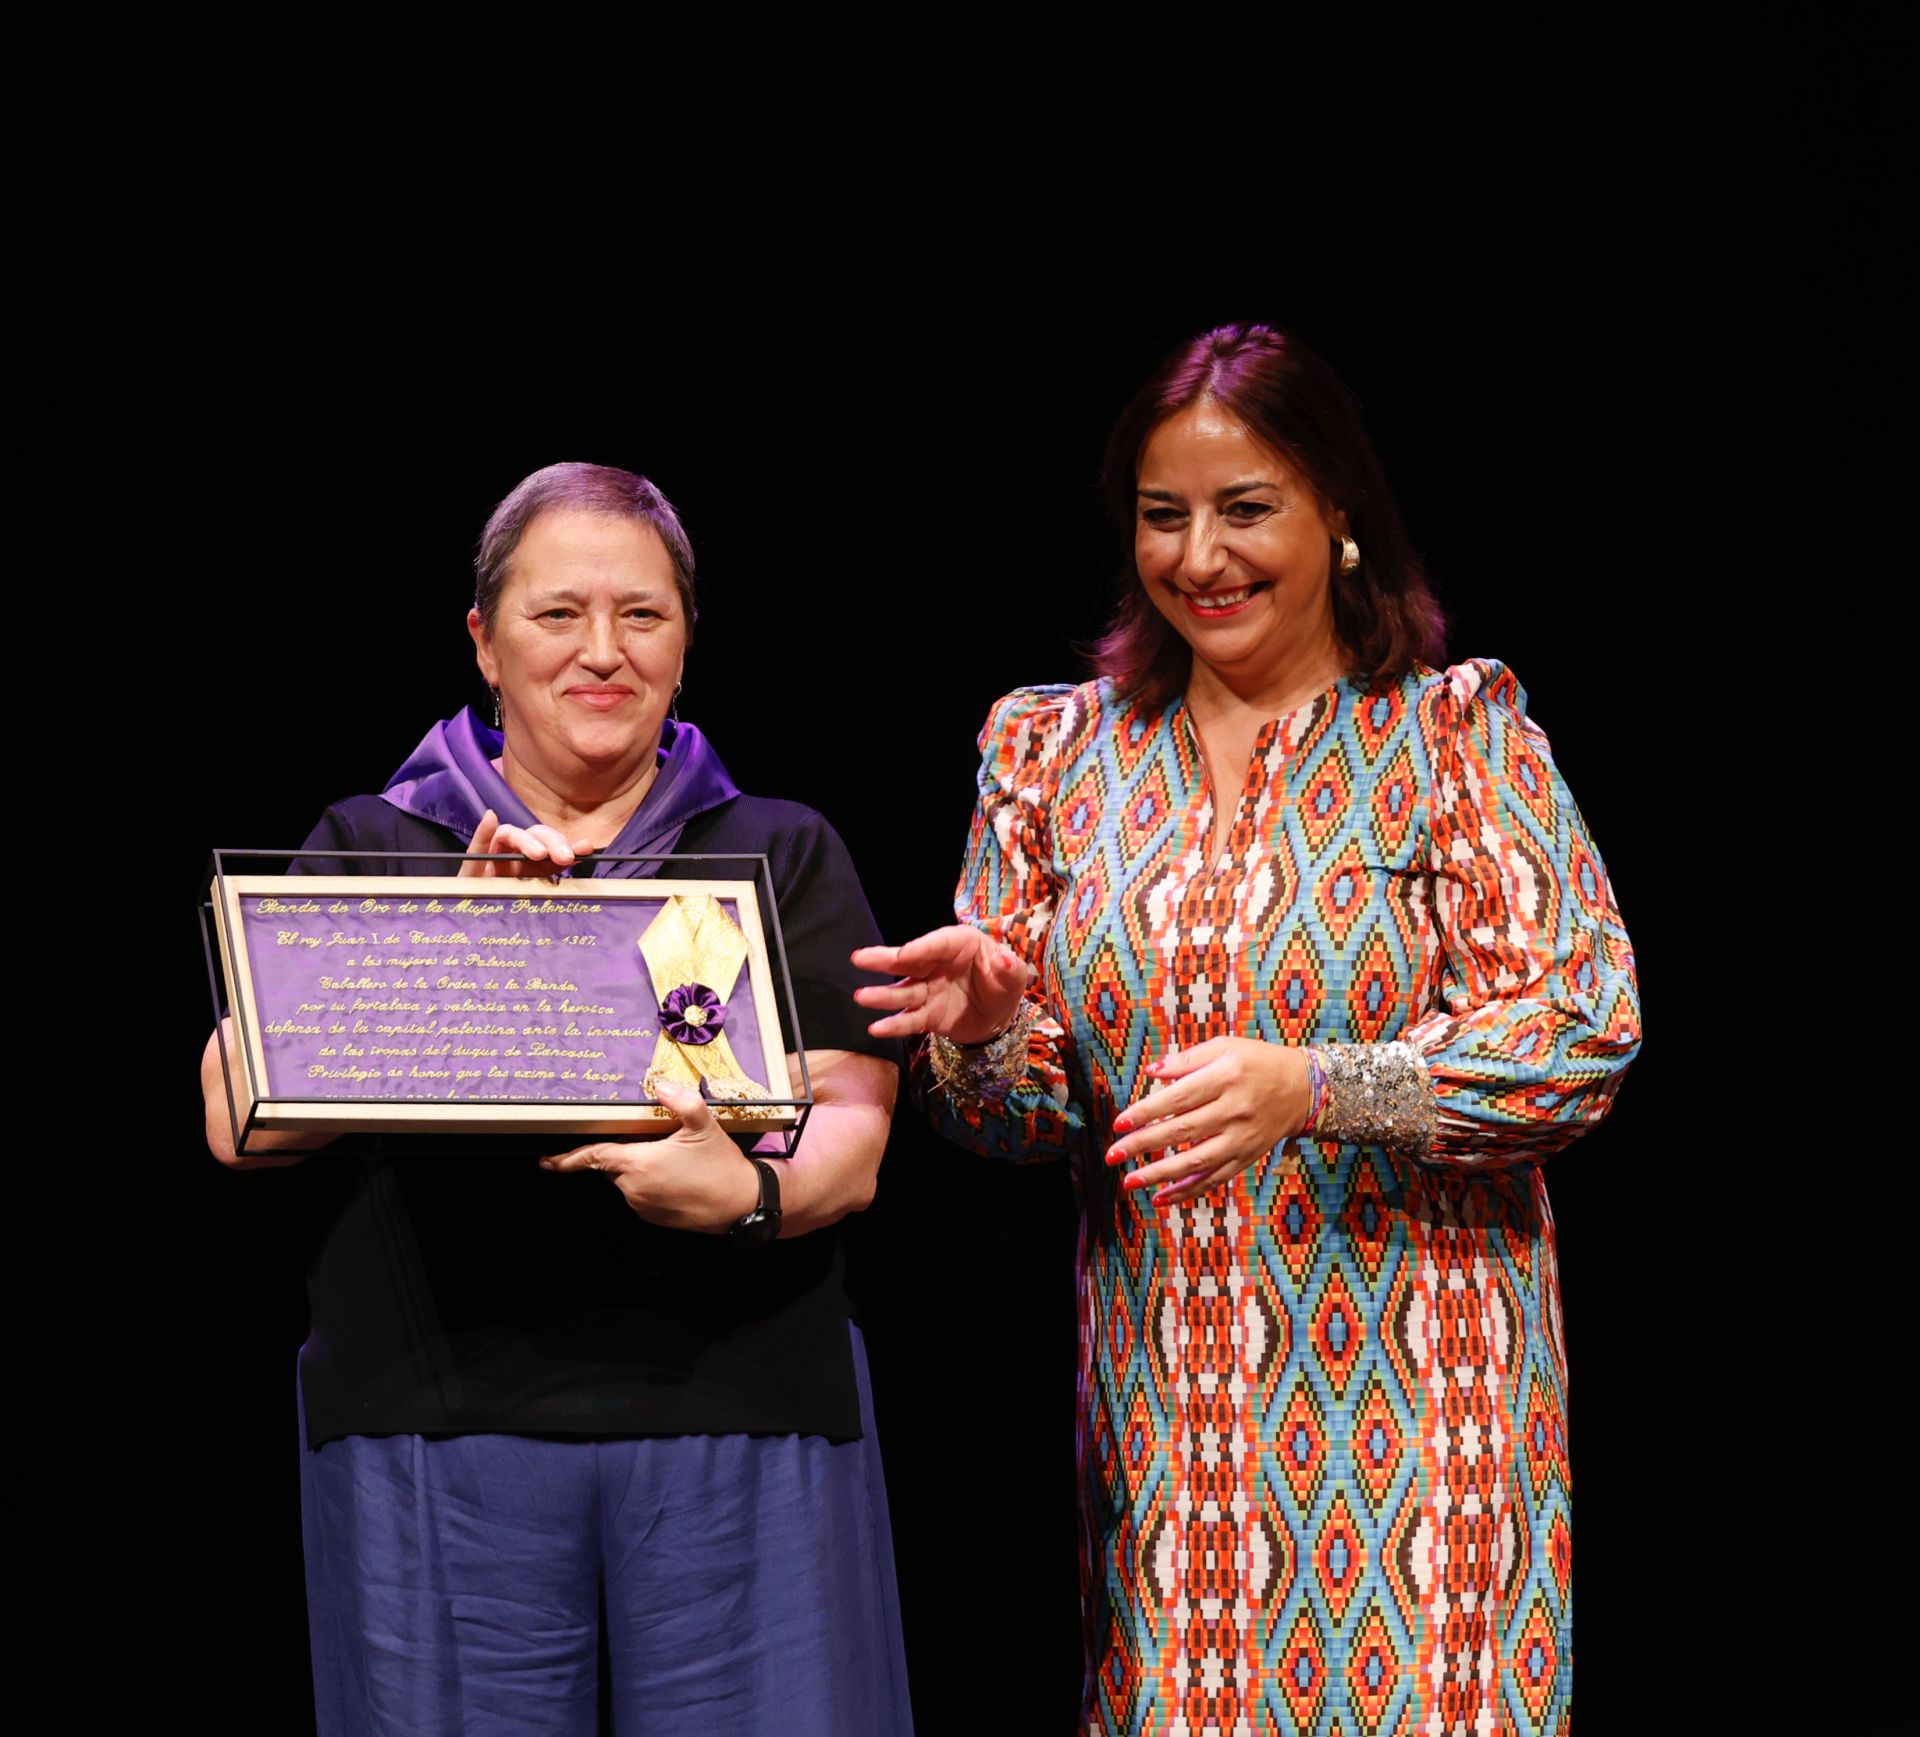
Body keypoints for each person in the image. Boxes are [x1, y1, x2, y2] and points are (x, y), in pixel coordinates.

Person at [856, 325, 1640, 1735]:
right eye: (1164, 517)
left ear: (1340, 510)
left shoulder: (1451, 739)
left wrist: (1324, 1085)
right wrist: (981, 1030)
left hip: (1425, 1429)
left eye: (1245, 509)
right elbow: (1016, 1117)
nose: (1200, 556)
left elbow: (1582, 1030)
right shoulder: (1057, 756)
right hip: (1176, 1429)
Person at [202, 462, 912, 1736]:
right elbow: (236, 1116)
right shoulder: (378, 843)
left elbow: (851, 1134)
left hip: (738, 1416)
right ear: (482, 642)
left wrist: (750, 1196)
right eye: (556, 615)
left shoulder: (782, 848)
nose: (603, 652)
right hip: (438, 1423)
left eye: (642, 615)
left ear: (687, 644)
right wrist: (449, 947)